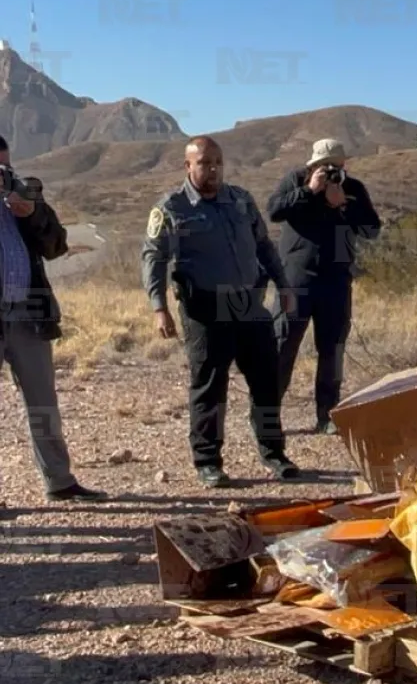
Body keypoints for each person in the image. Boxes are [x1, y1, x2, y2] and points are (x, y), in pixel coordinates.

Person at [141, 135, 300, 489]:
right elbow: (154, 257)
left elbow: (263, 245)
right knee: (210, 387)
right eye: (204, 163)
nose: (212, 169)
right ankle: (208, 461)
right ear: (188, 166)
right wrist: (159, 307)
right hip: (205, 309)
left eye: (217, 162)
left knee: (266, 381)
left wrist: (283, 285)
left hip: (248, 303)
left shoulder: (240, 200)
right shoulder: (171, 207)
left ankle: (274, 454)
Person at [0, 136, 106, 504]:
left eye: (6, 168)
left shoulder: (25, 198)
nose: (3, 175)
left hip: (28, 315)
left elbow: (57, 246)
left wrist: (34, 215)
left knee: (43, 404)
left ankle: (59, 480)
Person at [267, 138, 381, 435]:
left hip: (335, 281)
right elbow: (273, 211)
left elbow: (372, 229)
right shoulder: (295, 181)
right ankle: (268, 413)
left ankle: (327, 414)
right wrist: (309, 191)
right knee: (283, 345)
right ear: (313, 165)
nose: (330, 171)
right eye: (323, 166)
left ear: (345, 166)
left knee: (333, 349)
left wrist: (342, 203)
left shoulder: (353, 189)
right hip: (296, 280)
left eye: (336, 167)